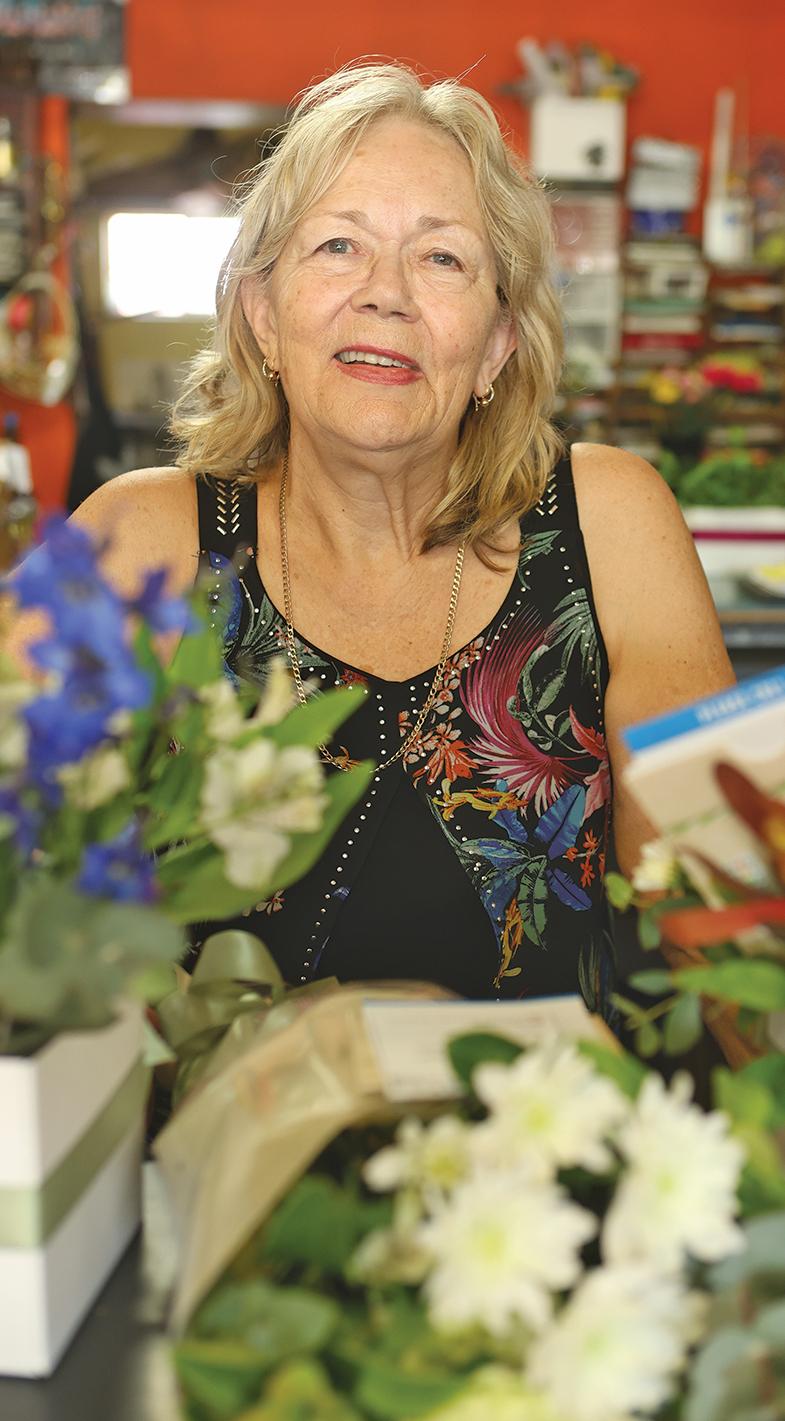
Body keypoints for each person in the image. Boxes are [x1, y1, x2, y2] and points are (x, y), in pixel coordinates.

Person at [10, 61, 735, 1017]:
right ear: (262, 316)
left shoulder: (607, 522)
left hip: (560, 1104)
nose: (385, 293)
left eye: (442, 258)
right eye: (338, 245)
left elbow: (721, 919)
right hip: (221, 1111)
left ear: (498, 342)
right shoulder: (143, 542)